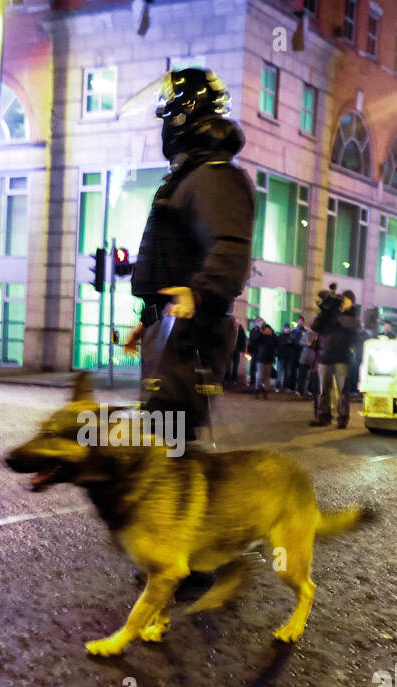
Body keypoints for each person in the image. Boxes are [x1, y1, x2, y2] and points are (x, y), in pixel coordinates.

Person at [121, 68, 256, 441]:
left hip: (188, 337)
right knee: (165, 442)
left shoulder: (214, 175)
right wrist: (150, 318)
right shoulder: (195, 174)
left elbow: (230, 249)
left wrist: (192, 296)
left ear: (184, 114)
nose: (164, 124)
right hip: (173, 330)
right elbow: (176, 258)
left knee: (170, 446)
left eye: (167, 114)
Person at [311, 289, 355, 428]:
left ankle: (342, 418)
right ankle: (324, 416)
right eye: (342, 299)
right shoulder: (328, 314)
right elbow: (315, 327)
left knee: (342, 391)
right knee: (324, 391)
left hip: (342, 357)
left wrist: (341, 313)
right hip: (326, 356)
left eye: (347, 300)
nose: (343, 302)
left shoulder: (351, 315)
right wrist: (325, 311)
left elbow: (352, 332)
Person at [251, 320, 277, 398]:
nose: (267, 330)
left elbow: (276, 343)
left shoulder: (272, 336)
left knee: (267, 376)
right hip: (260, 358)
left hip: (269, 358)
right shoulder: (260, 334)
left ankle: (265, 392)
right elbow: (254, 341)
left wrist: (272, 334)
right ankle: (257, 389)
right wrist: (261, 333)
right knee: (261, 375)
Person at [225, 317, 246, 386]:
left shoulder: (240, 329)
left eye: (236, 322)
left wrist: (242, 350)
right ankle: (227, 379)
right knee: (227, 364)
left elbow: (243, 339)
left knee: (236, 365)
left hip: (237, 349)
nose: (235, 323)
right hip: (229, 349)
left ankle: (234, 379)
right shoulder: (228, 328)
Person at [246, 317, 265, 390]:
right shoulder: (252, 331)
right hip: (253, 352)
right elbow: (251, 341)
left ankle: (257, 384)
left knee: (258, 369)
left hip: (259, 352)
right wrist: (249, 351)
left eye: (258, 322)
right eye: (256, 322)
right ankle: (252, 382)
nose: (256, 323)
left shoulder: (261, 331)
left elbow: (258, 339)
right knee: (252, 367)